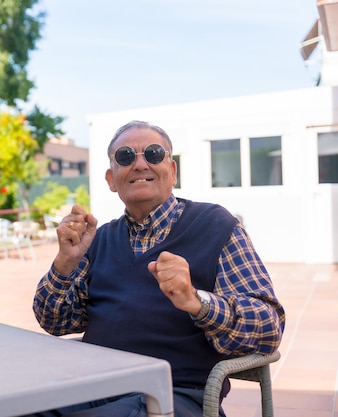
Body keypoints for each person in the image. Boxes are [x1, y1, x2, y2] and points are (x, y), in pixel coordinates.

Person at [31, 121, 285, 417]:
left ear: (172, 171)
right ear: (112, 179)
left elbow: (269, 328)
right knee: (14, 406)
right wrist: (66, 261)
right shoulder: (99, 240)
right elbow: (54, 322)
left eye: (153, 153)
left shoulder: (216, 226)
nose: (140, 164)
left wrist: (197, 302)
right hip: (94, 388)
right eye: (126, 156)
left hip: (173, 394)